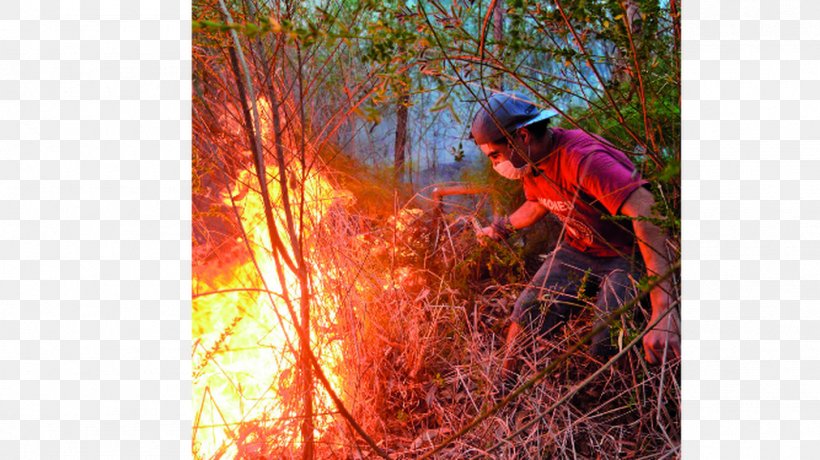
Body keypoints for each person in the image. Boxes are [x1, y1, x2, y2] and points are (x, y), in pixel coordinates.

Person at [469, 91, 680, 381]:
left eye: (495, 154)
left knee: (607, 337)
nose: (496, 165)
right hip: (579, 249)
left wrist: (663, 311)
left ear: (522, 136)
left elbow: (648, 210)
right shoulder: (529, 162)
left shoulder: (583, 160)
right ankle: (503, 388)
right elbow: (536, 203)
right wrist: (499, 228)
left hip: (625, 254)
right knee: (527, 312)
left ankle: (611, 398)